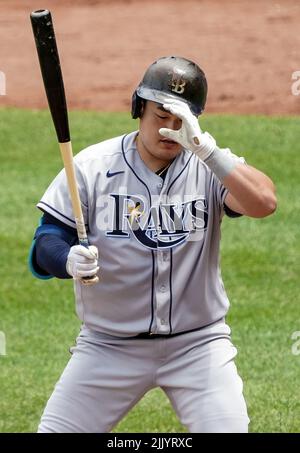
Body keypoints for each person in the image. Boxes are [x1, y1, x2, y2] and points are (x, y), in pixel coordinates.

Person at [29, 56, 277, 433]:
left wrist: (208, 151)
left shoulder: (209, 165)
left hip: (199, 346)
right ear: (138, 109)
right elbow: (46, 240)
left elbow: (264, 203)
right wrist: (67, 261)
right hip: (108, 347)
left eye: (182, 120)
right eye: (161, 117)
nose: (170, 130)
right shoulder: (92, 166)